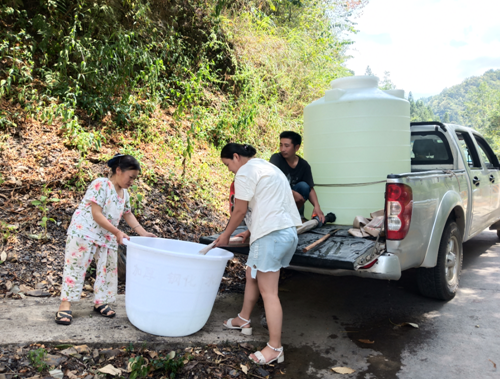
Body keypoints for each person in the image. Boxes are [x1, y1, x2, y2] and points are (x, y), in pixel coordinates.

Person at [214, 143, 301, 365]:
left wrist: (225, 236)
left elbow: (240, 209)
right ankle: (243, 319)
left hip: (270, 236)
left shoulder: (245, 171)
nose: (230, 170)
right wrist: (250, 230)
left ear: (235, 157)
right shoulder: (268, 167)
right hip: (286, 233)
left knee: (269, 292)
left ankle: (275, 348)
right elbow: (272, 204)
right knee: (251, 273)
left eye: (227, 165)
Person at [55, 154, 156, 325]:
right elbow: (96, 214)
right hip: (85, 230)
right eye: (130, 177)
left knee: (108, 269)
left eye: (134, 178)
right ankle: (65, 305)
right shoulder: (101, 184)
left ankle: (100, 301)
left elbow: (127, 213)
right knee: (76, 266)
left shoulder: (125, 194)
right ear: (118, 170)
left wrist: (143, 233)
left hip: (107, 235)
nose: (131, 181)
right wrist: (117, 232)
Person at [270, 131, 325, 223]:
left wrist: (317, 206)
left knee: (304, 186)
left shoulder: (304, 165)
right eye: (281, 145)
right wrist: (291, 193)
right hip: (278, 200)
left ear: (297, 147)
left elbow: (310, 188)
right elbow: (272, 182)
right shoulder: (276, 159)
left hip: (295, 203)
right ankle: (280, 217)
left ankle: (295, 216)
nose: (283, 149)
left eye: (287, 146)